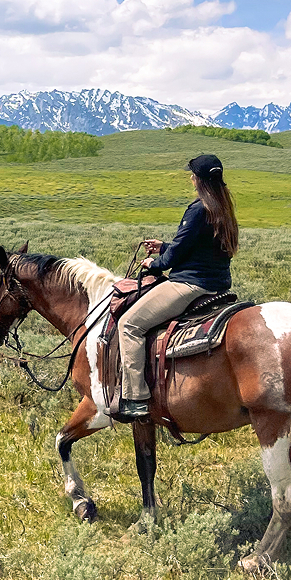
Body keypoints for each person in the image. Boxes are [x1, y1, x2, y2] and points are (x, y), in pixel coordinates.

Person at [110, 154, 239, 421]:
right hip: (216, 284)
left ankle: (135, 398)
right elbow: (198, 250)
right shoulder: (222, 205)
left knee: (129, 324)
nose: (190, 179)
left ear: (200, 180)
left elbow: (174, 258)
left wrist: (154, 263)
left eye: (193, 175)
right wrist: (166, 247)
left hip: (190, 284)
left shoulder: (198, 208)